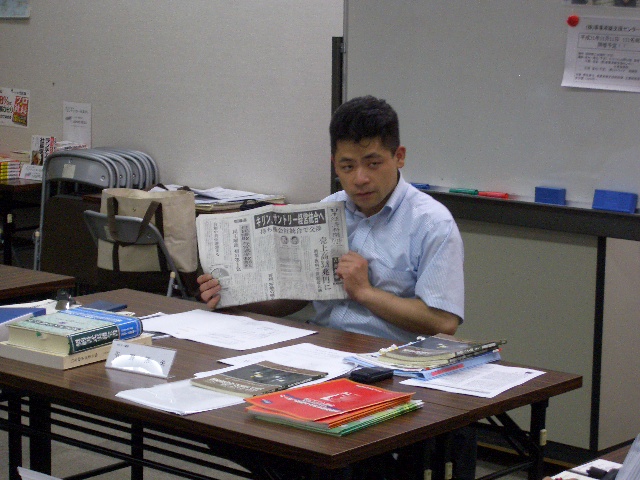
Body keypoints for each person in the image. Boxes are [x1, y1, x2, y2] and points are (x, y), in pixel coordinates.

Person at [198, 95, 471, 479]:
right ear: (335, 165)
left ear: (399, 157)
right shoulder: (328, 210)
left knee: (322, 454)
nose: (360, 178)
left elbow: (443, 322)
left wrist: (365, 293)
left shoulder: (431, 223)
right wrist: (233, 295)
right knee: (223, 420)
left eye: (373, 163)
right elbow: (294, 296)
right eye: (347, 166)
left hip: (391, 371)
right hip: (321, 358)